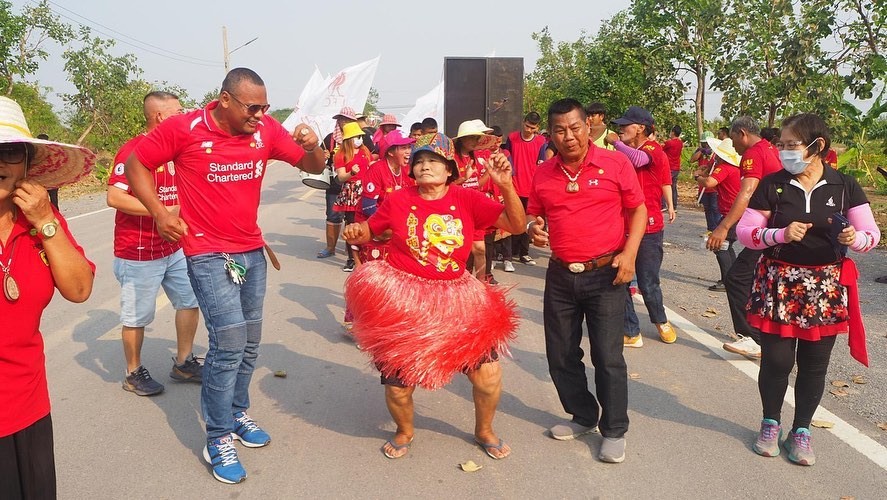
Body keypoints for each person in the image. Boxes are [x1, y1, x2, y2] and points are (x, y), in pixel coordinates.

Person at [124, 68, 325, 484]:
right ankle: (217, 437)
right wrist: (161, 214)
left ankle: (236, 412)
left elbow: (312, 164)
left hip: (251, 250)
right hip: (206, 252)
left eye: (265, 107)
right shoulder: (185, 128)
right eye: (253, 107)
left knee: (251, 341)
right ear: (225, 100)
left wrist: (315, 144)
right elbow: (134, 163)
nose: (261, 114)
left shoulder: (264, 129)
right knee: (229, 341)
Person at [341, 132, 526, 460]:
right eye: (419, 161)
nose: (425, 167)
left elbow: (516, 224)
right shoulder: (398, 199)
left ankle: (485, 430)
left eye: (434, 161)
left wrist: (506, 185)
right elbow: (371, 228)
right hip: (404, 300)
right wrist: (359, 231)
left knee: (487, 375)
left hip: (458, 299)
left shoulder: (467, 199)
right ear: (411, 169)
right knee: (398, 386)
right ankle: (404, 431)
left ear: (450, 169)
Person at [737, 113, 880, 465]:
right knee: (777, 360)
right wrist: (779, 234)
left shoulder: (845, 186)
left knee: (815, 364)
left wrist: (855, 238)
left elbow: (871, 236)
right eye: (781, 145)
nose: (784, 152)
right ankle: (770, 423)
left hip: (825, 286)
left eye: (792, 145)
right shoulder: (773, 185)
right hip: (780, 283)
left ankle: (802, 431)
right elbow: (746, 232)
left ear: (818, 147)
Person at [527, 98, 646, 463]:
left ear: (588, 127)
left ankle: (614, 429)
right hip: (562, 274)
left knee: (608, 356)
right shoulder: (544, 173)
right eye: (560, 130)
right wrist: (535, 229)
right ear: (551, 134)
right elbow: (534, 216)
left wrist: (629, 254)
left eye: (575, 127)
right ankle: (583, 415)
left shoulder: (615, 163)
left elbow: (638, 208)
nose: (569, 136)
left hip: (606, 274)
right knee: (560, 353)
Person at [0, 96, 96, 498]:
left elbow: (78, 289)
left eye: (8, 151)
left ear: (26, 163)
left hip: (27, 405)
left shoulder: (40, 222)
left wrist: (45, 222)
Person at [107, 92, 202, 396]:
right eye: (178, 111)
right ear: (161, 117)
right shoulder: (134, 150)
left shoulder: (177, 149)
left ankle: (184, 362)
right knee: (137, 316)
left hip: (172, 247)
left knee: (189, 300)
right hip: (138, 252)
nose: (184, 116)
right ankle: (133, 373)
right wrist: (161, 211)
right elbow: (114, 197)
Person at [709, 116, 781, 360]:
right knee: (756, 279)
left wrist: (723, 227)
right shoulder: (770, 149)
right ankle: (765, 335)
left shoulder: (753, 153)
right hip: (776, 226)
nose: (733, 146)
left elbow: (747, 191)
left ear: (741, 133)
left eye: (732, 139)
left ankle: (753, 338)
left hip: (770, 228)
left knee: (737, 278)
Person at [605, 106, 677, 346]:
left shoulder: (651, 149)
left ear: (641, 128)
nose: (621, 129)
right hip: (622, 225)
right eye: (619, 125)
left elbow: (638, 160)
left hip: (649, 228)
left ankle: (661, 321)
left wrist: (615, 142)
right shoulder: (625, 152)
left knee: (648, 281)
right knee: (620, 278)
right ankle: (631, 330)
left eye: (626, 125)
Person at [693, 137, 741, 293]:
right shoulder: (733, 168)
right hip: (734, 211)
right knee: (727, 245)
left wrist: (697, 177)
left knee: (719, 246)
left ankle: (727, 281)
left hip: (730, 213)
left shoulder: (724, 168)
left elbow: (709, 183)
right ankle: (733, 278)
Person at [453, 119, 496, 279]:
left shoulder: (477, 158)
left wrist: (489, 172)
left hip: (473, 210)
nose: (475, 141)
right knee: (459, 251)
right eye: (472, 137)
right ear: (462, 139)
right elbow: (447, 187)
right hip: (456, 211)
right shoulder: (452, 159)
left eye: (476, 138)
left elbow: (477, 184)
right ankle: (459, 283)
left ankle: (481, 285)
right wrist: (463, 178)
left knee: (480, 250)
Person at [503, 111, 546, 267]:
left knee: (529, 222)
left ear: (537, 127)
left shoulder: (541, 141)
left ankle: (524, 253)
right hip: (514, 186)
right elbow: (507, 158)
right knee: (513, 219)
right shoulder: (512, 138)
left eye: (532, 128)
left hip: (531, 188)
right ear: (523, 122)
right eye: (527, 126)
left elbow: (542, 165)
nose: (529, 130)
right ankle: (509, 252)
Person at [333, 121, 373, 273]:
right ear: (349, 139)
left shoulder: (365, 151)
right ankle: (351, 258)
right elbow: (341, 177)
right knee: (351, 225)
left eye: (360, 136)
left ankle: (366, 255)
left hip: (367, 190)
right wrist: (352, 173)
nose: (360, 140)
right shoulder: (341, 154)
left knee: (367, 223)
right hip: (351, 191)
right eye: (356, 137)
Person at [663, 126, 684, 210]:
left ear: (673, 132)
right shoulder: (680, 143)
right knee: (673, 187)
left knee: (664, 184)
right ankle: (674, 206)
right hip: (676, 167)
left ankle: (663, 204)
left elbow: (661, 148)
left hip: (669, 166)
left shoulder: (669, 143)